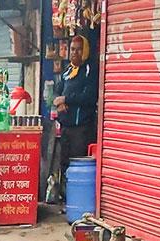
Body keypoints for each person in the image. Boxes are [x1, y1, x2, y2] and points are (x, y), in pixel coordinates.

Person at [53, 35, 99, 193]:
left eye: (79, 50)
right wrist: (59, 102)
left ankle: (76, 198)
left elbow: (90, 97)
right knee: (64, 164)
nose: (75, 53)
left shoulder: (89, 70)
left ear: (85, 51)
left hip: (81, 129)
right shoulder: (67, 70)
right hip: (66, 127)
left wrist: (67, 99)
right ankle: (66, 199)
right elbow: (57, 91)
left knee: (77, 165)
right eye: (72, 49)